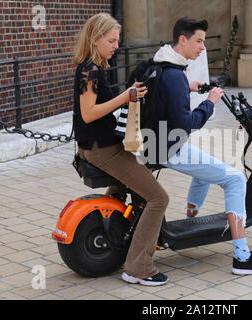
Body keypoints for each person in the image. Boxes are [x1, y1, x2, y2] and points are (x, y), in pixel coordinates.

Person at [151, 16, 252, 275]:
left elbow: (161, 90)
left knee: (205, 175)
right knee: (234, 179)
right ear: (182, 40)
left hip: (154, 141)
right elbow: (188, 124)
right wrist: (209, 102)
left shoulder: (160, 65)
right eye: (198, 41)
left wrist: (188, 87)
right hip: (167, 146)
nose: (202, 47)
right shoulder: (174, 74)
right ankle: (242, 257)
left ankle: (190, 223)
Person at [73, 13, 169, 286]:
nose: (116, 45)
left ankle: (117, 240)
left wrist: (129, 94)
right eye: (111, 40)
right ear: (95, 39)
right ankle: (139, 268)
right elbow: (89, 113)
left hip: (100, 146)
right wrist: (125, 96)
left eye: (117, 40)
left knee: (124, 189)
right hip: (102, 150)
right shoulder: (89, 70)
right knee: (158, 198)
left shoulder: (91, 67)